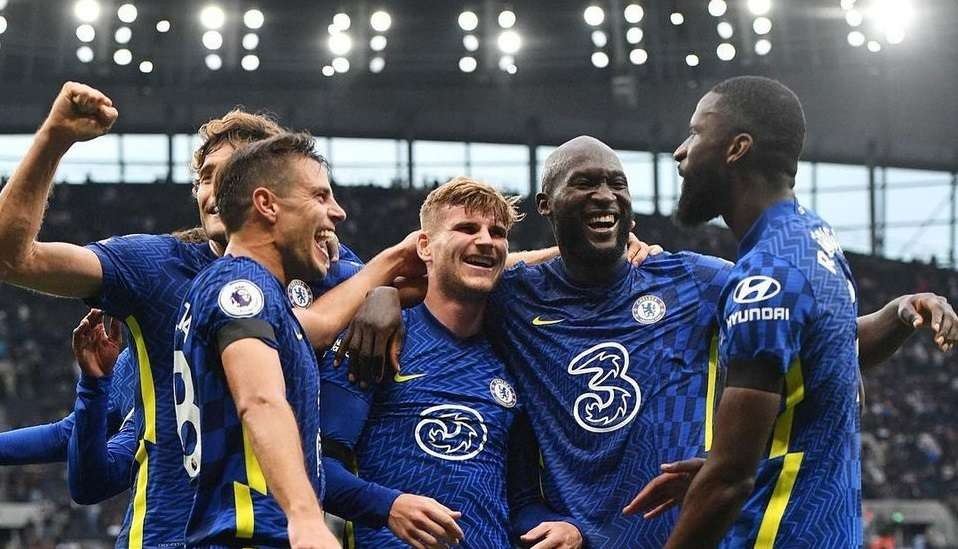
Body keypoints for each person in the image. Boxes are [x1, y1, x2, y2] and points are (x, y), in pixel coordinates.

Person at [349, 135, 957, 548]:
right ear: (546, 205)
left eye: (617, 183)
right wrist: (382, 297)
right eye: (585, 184)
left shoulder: (693, 278)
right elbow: (447, 291)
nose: (606, 196)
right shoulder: (516, 293)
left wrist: (899, 313)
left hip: (681, 534)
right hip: (570, 538)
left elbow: (824, 343)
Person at [0, 82, 418, 547]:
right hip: (172, 534)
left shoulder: (320, 270)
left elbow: (317, 323)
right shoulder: (155, 268)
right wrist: (55, 140)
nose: (214, 190)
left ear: (267, 191)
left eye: (231, 173)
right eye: (205, 176)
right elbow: (14, 258)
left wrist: (384, 290)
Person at [661, 76, 907, 547]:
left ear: (736, 149)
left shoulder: (765, 279)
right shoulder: (816, 239)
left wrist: (721, 471)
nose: (680, 151)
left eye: (695, 133)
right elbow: (830, 358)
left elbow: (730, 482)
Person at [321, 177, 583, 548]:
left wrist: (562, 527)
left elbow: (521, 499)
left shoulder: (514, 354)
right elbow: (317, 467)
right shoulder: (376, 337)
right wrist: (389, 505)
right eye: (466, 228)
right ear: (425, 246)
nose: (485, 241)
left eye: (497, 232)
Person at [173, 131, 343, 546]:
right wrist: (304, 516)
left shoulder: (242, 291)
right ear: (267, 205)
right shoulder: (241, 289)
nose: (336, 212)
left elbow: (317, 325)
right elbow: (260, 400)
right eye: (320, 197)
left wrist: (390, 270)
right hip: (254, 533)